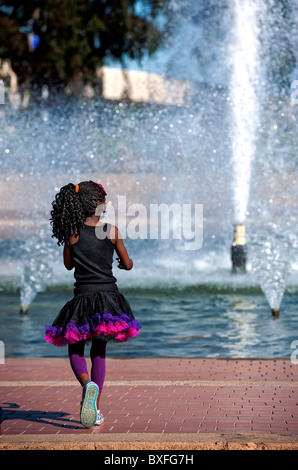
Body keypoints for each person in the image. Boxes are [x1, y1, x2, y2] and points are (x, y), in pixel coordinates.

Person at [44, 180, 141, 428]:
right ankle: (95, 409)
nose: (106, 203)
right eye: (104, 200)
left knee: (75, 349)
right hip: (108, 298)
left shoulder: (72, 233)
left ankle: (87, 385)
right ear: (97, 205)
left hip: (82, 298)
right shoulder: (111, 231)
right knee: (99, 352)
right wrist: (121, 264)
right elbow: (128, 264)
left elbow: (68, 265)